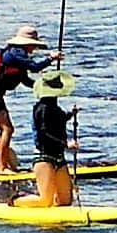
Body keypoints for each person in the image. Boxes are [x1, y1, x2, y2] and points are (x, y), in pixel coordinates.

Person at [0, 24, 58, 165]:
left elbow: (26, 80)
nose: (34, 49)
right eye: (33, 45)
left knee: (4, 130)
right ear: (26, 44)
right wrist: (50, 59)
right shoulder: (15, 54)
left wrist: (45, 87)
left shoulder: (17, 56)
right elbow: (34, 68)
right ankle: (3, 167)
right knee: (7, 129)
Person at [28, 78, 78, 208]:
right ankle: (15, 201)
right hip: (44, 157)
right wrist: (66, 144)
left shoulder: (55, 107)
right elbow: (44, 134)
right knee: (45, 201)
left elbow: (60, 119)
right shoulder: (42, 109)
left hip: (59, 157)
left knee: (65, 201)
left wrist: (71, 114)